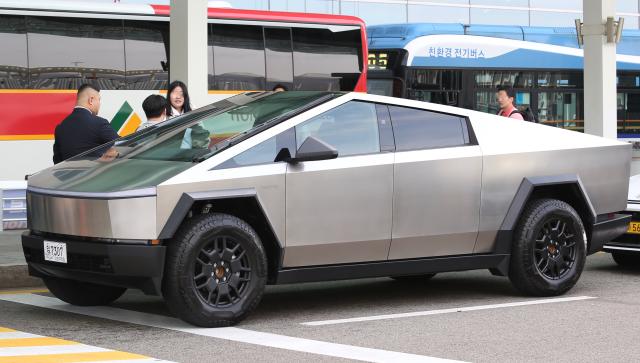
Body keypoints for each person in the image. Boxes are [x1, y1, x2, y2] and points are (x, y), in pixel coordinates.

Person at [52, 84, 119, 164]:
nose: (99, 104)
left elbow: (57, 162)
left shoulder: (60, 127)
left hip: (70, 176)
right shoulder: (99, 123)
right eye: (99, 100)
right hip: (94, 175)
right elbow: (122, 146)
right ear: (91, 100)